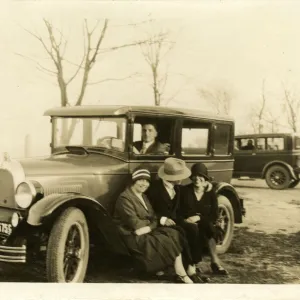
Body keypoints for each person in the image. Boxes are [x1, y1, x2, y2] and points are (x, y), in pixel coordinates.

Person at [113, 167, 203, 283]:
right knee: (166, 239)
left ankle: (177, 270)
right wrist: (150, 224)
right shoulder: (125, 198)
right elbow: (134, 223)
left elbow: (154, 217)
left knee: (174, 233)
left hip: (144, 231)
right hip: (130, 235)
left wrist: (150, 225)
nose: (144, 184)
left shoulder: (144, 197)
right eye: (140, 180)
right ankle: (181, 273)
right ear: (133, 181)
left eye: (146, 181)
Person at [146, 157, 208, 283]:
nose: (183, 178)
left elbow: (194, 189)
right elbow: (147, 210)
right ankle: (186, 271)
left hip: (176, 220)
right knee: (181, 232)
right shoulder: (154, 189)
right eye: (180, 175)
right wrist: (162, 219)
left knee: (193, 228)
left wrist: (207, 184)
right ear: (172, 177)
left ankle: (192, 266)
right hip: (160, 223)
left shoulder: (179, 188)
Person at [180, 162, 229, 276]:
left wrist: (199, 217)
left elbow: (214, 215)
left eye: (201, 176)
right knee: (195, 229)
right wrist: (187, 220)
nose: (197, 179)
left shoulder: (210, 193)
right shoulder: (185, 191)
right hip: (188, 224)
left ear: (205, 178)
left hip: (203, 223)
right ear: (191, 177)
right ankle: (193, 264)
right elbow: (180, 210)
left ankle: (215, 262)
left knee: (208, 228)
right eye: (195, 176)